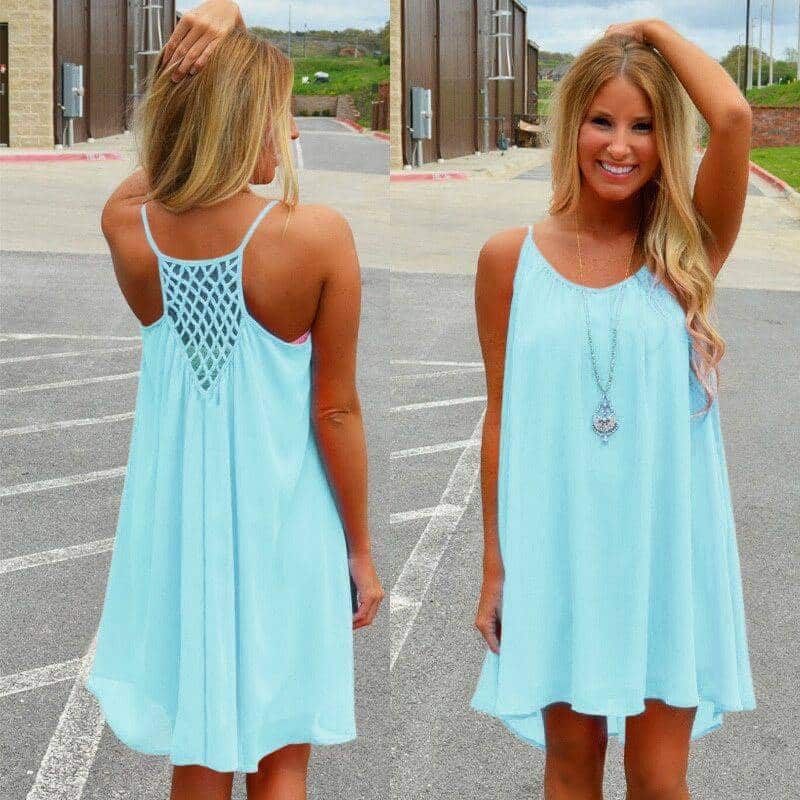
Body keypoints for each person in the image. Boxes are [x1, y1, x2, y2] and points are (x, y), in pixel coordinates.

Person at [84, 7, 383, 800]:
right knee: (282, 759)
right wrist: (359, 550)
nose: (293, 133)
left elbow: (153, 170)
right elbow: (336, 412)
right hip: (288, 528)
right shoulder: (316, 234)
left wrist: (190, 78)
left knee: (201, 753)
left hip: (184, 538)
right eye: (281, 113)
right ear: (241, 119)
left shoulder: (130, 228)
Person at [470, 19, 756, 800]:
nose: (620, 146)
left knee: (659, 780)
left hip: (667, 550)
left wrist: (653, 31)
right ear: (572, 126)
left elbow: (733, 118)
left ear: (666, 140)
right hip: (557, 550)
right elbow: (500, 421)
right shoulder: (508, 260)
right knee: (571, 768)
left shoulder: (687, 250)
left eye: (644, 126)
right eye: (602, 120)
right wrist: (496, 568)